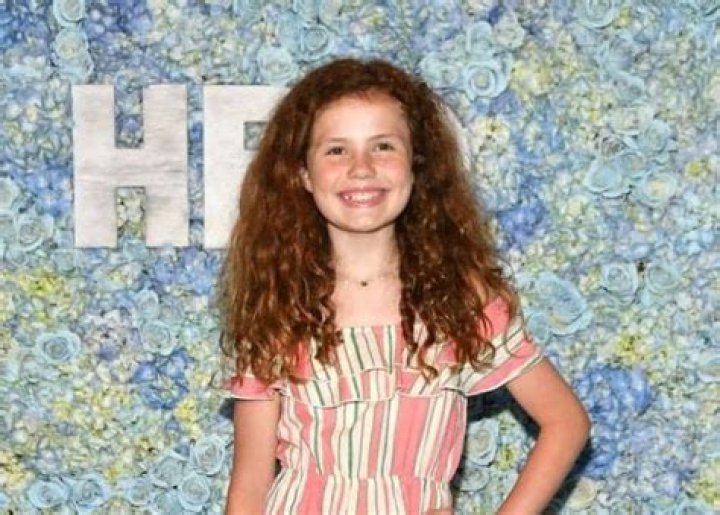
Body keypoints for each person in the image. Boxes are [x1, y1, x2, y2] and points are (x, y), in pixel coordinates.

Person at [215, 57, 590, 514]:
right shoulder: (280, 306)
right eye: (336, 150)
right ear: (303, 174)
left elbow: (566, 421)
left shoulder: (459, 300)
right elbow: (249, 485)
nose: (361, 168)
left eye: (383, 146)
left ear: (416, 164)